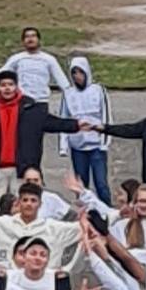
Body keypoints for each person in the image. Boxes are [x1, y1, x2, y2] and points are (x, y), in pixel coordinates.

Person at [59, 57, 112, 196]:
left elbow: (106, 116)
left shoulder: (98, 90)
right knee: (81, 185)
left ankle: (106, 208)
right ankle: (84, 208)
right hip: (77, 146)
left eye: (80, 72)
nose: (77, 76)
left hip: (97, 145)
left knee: (101, 184)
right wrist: (63, 146)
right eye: (74, 73)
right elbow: (64, 119)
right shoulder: (68, 93)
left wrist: (105, 142)